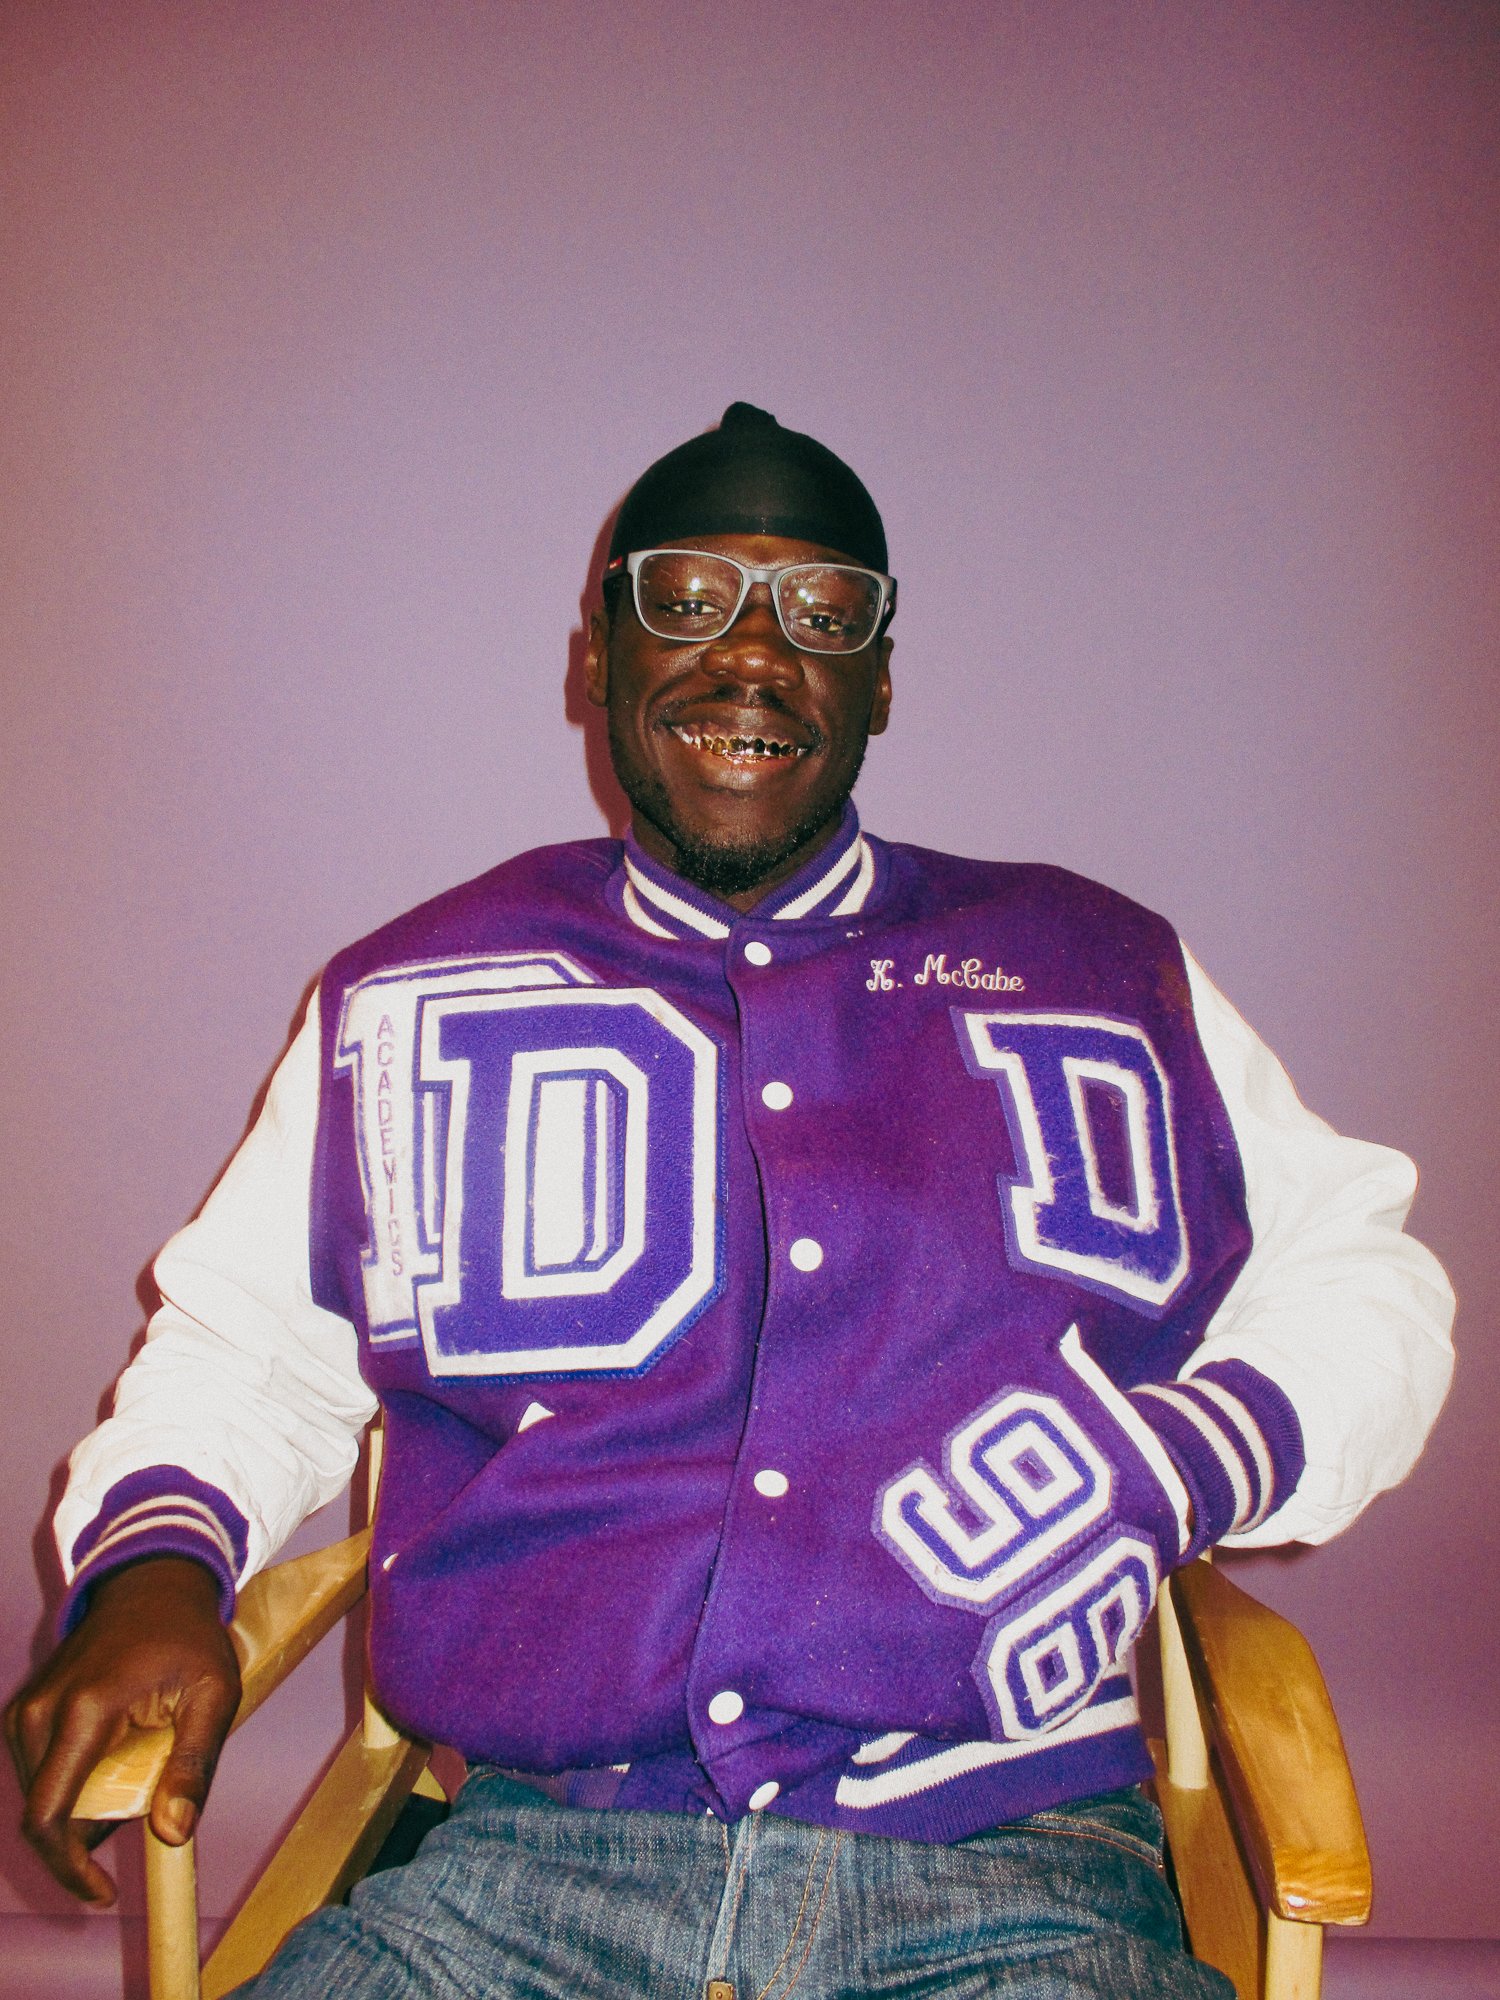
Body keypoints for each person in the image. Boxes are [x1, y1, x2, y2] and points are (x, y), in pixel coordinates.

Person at [7, 404, 1455, 1998]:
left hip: (1014, 1876)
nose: (753, 654)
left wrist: (1163, 1464)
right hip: (521, 1874)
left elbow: (1363, 1282)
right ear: (598, 654)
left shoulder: (1097, 966)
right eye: (689, 598)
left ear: (883, 678)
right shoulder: (410, 990)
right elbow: (245, 1354)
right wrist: (153, 1572)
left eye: (821, 614)